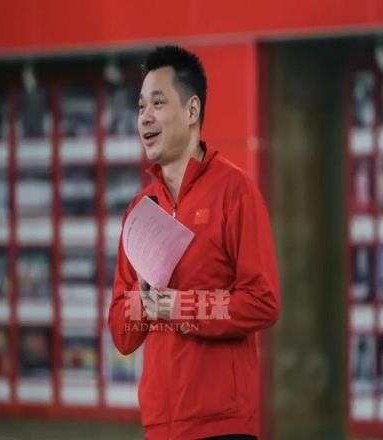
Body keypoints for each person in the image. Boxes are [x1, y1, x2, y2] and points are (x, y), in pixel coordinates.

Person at [108, 46, 280, 440]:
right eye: (140, 106)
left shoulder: (235, 192)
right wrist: (142, 300)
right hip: (160, 427)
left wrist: (181, 307)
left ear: (191, 111)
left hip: (222, 425)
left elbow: (263, 302)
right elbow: (121, 333)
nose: (144, 117)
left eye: (157, 103)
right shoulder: (140, 210)